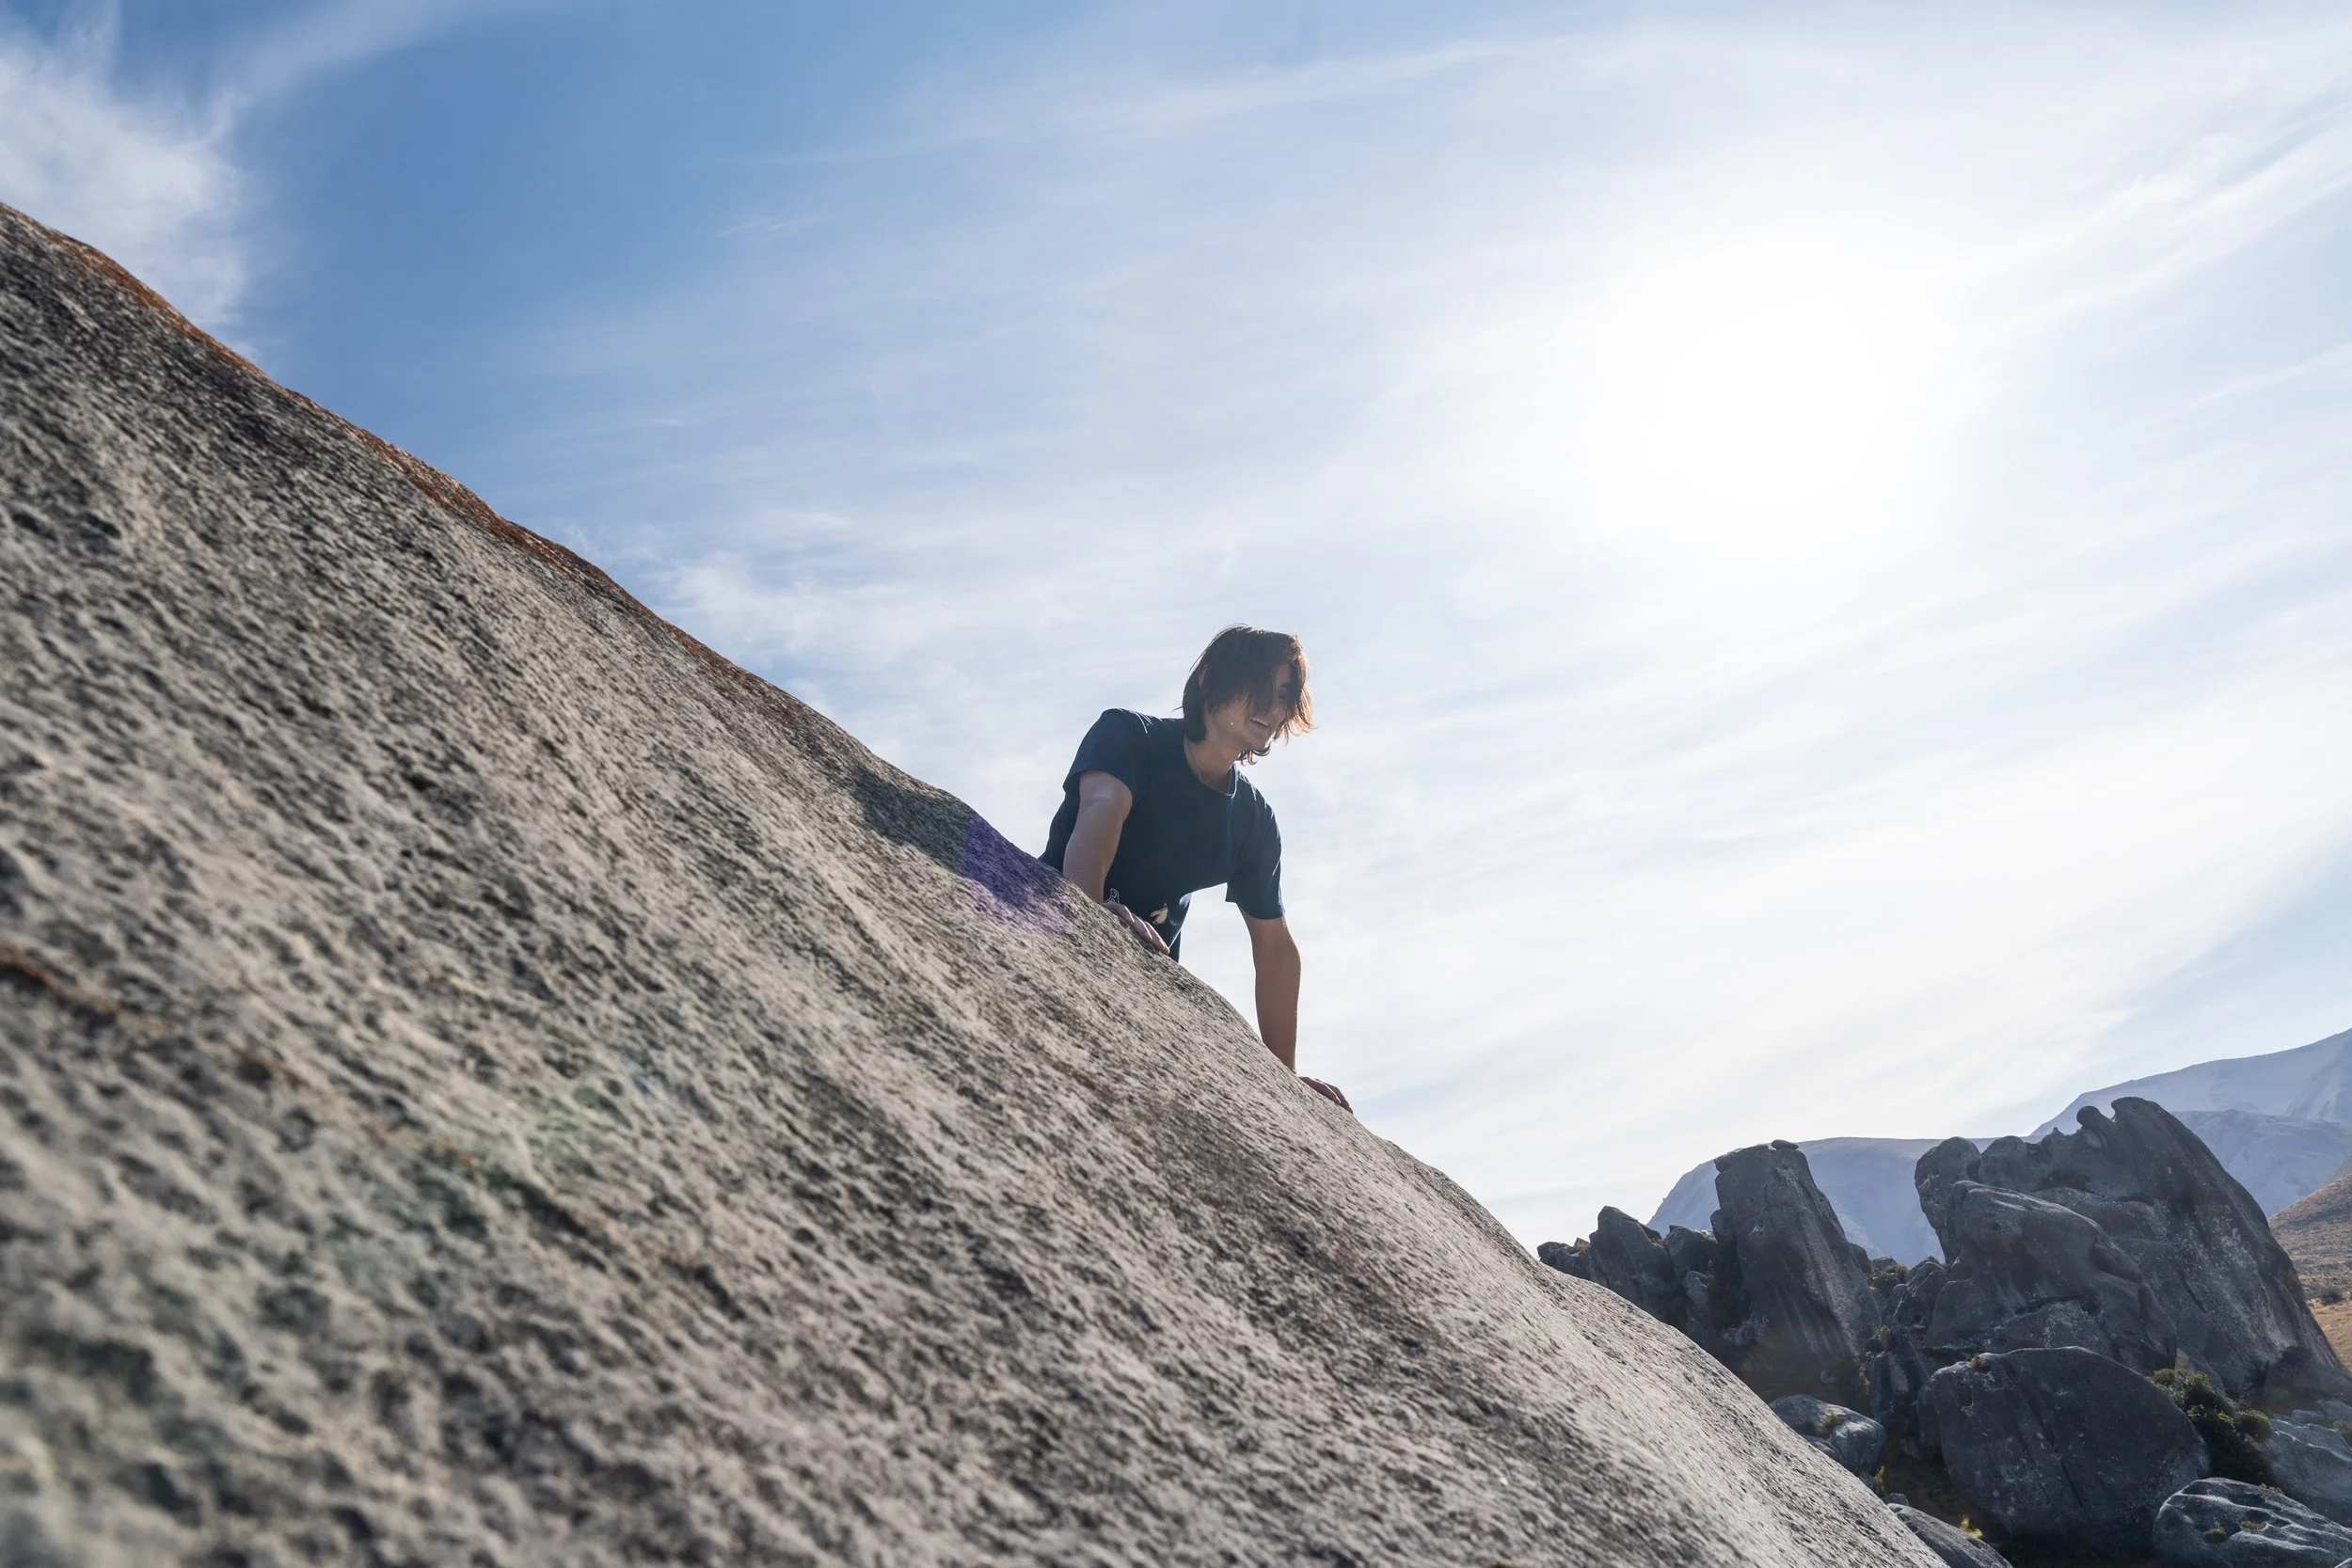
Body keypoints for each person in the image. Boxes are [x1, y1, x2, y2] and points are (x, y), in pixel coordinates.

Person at [1042, 626, 1351, 1111]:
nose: (1273, 709)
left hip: (1151, 982)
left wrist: (1284, 1082)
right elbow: (1101, 807)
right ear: (1209, 679)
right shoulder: (1128, 735)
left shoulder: (1252, 819)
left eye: (1284, 697)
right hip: (1047, 924)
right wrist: (1090, 915)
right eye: (1261, 688)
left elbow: (1274, 947)